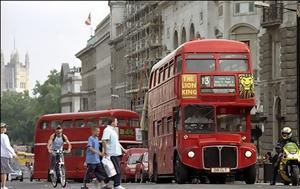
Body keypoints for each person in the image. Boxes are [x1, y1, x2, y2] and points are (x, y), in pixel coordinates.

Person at [102, 118, 127, 189]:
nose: (117, 122)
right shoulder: (107, 130)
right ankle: (116, 185)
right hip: (111, 153)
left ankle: (104, 182)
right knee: (116, 170)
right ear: (112, 122)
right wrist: (106, 151)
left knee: (113, 170)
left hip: (116, 153)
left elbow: (117, 142)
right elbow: (104, 140)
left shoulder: (113, 131)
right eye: (116, 121)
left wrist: (123, 149)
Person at [1, 123, 17, 189]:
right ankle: (3, 186)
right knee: (4, 171)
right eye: (3, 128)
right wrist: (13, 153)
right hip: (3, 155)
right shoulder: (4, 136)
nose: (5, 129)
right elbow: (7, 146)